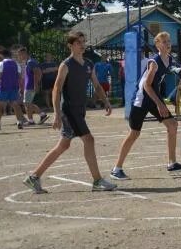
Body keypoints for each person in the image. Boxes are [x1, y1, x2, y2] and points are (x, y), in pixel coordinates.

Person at [23, 31, 116, 193]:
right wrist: (57, 114)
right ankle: (97, 180)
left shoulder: (88, 64)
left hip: (80, 111)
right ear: (70, 46)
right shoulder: (66, 65)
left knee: (63, 145)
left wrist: (106, 101)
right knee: (89, 140)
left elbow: (97, 85)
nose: (82, 45)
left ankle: (33, 177)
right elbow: (56, 90)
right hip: (69, 110)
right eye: (79, 42)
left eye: (83, 41)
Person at [110, 32, 181, 179]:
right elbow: (147, 85)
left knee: (172, 125)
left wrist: (180, 71)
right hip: (141, 99)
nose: (167, 44)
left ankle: (172, 163)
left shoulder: (169, 59)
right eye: (163, 42)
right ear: (157, 45)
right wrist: (160, 104)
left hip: (153, 97)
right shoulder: (154, 62)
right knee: (134, 133)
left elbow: (170, 68)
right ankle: (116, 168)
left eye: (168, 41)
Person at [0, 47, 27, 130]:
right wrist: (20, 88)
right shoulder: (16, 64)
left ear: (2, 55)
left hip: (3, 88)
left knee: (0, 106)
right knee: (15, 105)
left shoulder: (1, 64)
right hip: (14, 88)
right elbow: (20, 77)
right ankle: (19, 122)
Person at [17, 47, 48, 126]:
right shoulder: (29, 62)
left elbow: (37, 73)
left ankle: (39, 116)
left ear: (24, 54)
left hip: (30, 86)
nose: (19, 57)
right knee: (28, 103)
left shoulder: (31, 62)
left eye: (20, 55)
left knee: (26, 103)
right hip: (28, 86)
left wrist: (35, 85)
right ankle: (34, 118)